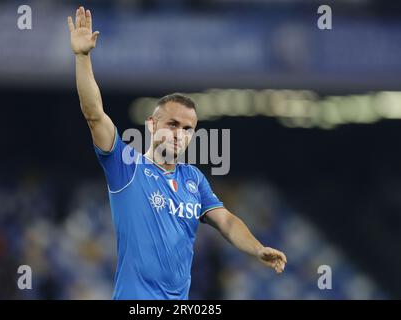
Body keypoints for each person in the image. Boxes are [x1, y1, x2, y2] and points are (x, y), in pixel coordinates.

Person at [67, 6, 287, 300]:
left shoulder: (193, 179)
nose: (179, 134)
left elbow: (227, 221)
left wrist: (257, 248)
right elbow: (94, 114)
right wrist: (83, 58)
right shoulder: (126, 165)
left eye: (187, 128)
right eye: (172, 124)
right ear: (151, 124)